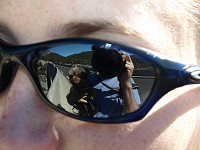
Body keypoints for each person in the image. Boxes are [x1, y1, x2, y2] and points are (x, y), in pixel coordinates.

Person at [0, 0, 200, 150]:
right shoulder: (90, 78)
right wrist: (77, 95)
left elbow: (131, 107)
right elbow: (70, 97)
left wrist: (126, 85)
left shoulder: (129, 85)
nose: (9, 139)